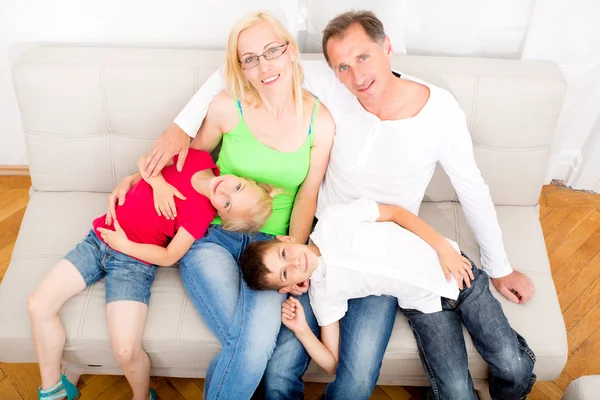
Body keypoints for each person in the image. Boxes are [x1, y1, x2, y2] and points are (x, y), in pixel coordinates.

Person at [150, 9, 537, 399]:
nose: (356, 76)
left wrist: (500, 267)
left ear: (386, 47)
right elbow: (241, 68)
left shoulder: (439, 111)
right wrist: (179, 128)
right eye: (342, 67)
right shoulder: (330, 81)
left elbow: (471, 187)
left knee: (357, 378)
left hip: (387, 243)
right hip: (324, 236)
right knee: (280, 362)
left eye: (363, 58)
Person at [109, 10, 335, 399]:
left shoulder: (321, 122)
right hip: (210, 236)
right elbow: (189, 167)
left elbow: (308, 195)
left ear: (291, 51)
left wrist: (291, 253)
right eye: (250, 59)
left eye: (272, 51)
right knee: (254, 343)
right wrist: (145, 178)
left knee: (250, 345)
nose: (264, 66)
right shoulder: (227, 107)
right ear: (241, 68)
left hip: (271, 246)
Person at [27, 148, 279, 400]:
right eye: (238, 188)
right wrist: (156, 182)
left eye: (227, 203)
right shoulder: (196, 157)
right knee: (38, 304)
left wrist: (124, 245)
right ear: (246, 179)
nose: (224, 191)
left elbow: (170, 255)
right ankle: (53, 390)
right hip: (98, 240)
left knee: (126, 350)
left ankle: (142, 396)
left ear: (222, 215)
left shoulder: (201, 214)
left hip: (133, 264)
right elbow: (145, 161)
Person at [239, 197, 535, 399]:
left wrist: (444, 249)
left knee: (513, 366)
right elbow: (332, 364)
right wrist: (302, 329)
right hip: (426, 308)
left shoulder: (333, 219)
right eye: (285, 274)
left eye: (284, 255)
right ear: (287, 287)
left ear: (286, 240)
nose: (294, 264)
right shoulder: (323, 293)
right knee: (456, 393)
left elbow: (396, 213)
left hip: (459, 275)